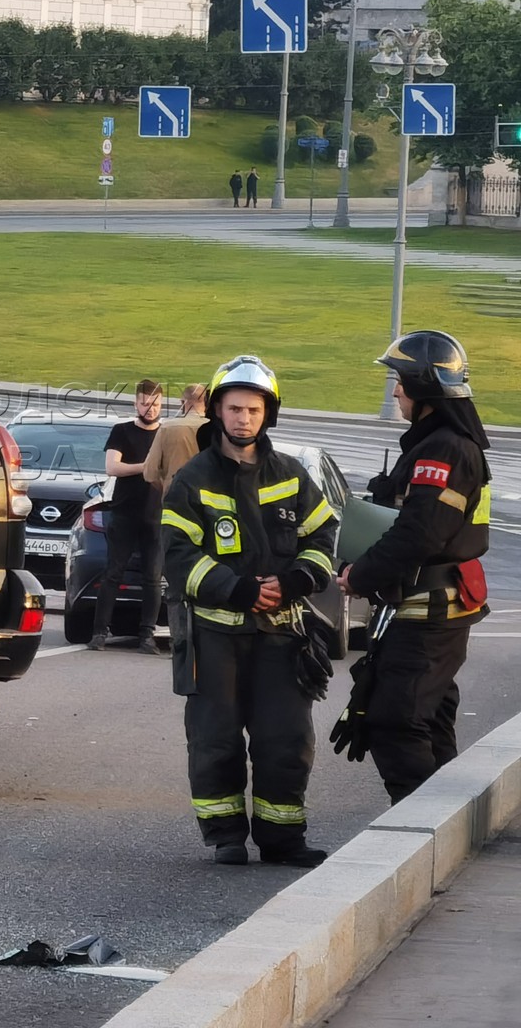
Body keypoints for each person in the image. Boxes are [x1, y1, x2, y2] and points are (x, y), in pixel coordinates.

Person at [161, 356, 338, 868]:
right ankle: (225, 836)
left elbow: (323, 537)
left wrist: (294, 581)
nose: (243, 418)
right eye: (234, 408)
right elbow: (177, 556)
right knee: (215, 739)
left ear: (268, 414)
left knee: (286, 739)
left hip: (282, 634)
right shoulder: (193, 479)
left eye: (253, 409)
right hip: (215, 637)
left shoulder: (290, 475)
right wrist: (237, 591)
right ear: (217, 411)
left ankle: (283, 838)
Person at [338, 331, 491, 804]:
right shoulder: (440, 444)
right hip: (426, 608)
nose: (395, 391)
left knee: (395, 721)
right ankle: (449, 827)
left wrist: (360, 575)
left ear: (424, 386)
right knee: (430, 720)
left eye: (400, 380)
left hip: (429, 611)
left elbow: (420, 534)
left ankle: (418, 836)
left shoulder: (445, 450)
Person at [88, 379, 165, 654]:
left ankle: (147, 636)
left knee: (153, 578)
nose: (150, 408)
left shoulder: (165, 435)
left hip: (156, 516)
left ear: (161, 404)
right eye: (145, 403)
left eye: (155, 404)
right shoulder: (121, 431)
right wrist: (145, 467)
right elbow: (112, 466)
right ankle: (99, 633)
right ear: (136, 403)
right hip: (123, 513)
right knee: (112, 573)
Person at [143, 383, 209, 647]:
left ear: (184, 402)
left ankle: (178, 637)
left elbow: (149, 473)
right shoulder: (215, 430)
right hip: (210, 513)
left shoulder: (168, 428)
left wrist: (167, 490)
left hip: (174, 512)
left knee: (175, 577)